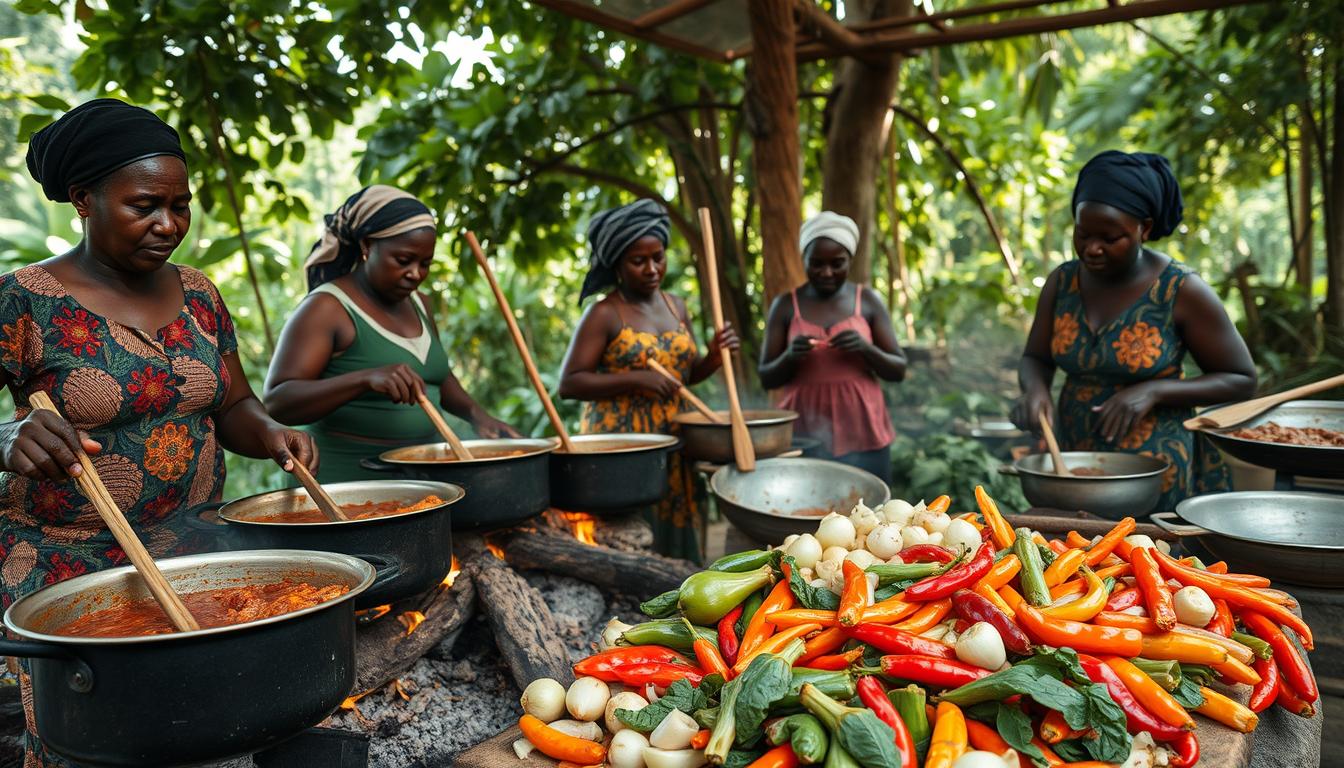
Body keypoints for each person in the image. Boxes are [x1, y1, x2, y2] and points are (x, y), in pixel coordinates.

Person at [1, 98, 318, 767]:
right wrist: (8, 438)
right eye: (144, 205)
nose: (168, 224)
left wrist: (270, 431)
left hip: (193, 552)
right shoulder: (23, 301)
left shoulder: (199, 292)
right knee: (96, 742)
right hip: (67, 568)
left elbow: (234, 405)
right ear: (84, 200)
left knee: (208, 727)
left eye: (181, 205)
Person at [1011, 150, 1256, 511]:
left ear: (1144, 228)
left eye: (1110, 238)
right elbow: (1035, 358)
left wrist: (1154, 391)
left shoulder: (1181, 290)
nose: (1092, 249)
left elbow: (1241, 379)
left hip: (1155, 468)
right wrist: (1036, 390)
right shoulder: (1062, 282)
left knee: (1145, 557)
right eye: (1083, 233)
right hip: (1073, 456)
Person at [264, 185, 519, 483]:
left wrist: (478, 415)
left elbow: (436, 377)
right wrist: (364, 379)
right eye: (403, 260)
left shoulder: (420, 304)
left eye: (425, 264)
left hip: (417, 479)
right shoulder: (327, 308)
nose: (415, 274)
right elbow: (278, 401)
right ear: (367, 245)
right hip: (342, 484)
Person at [558, 199, 738, 563]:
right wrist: (634, 379)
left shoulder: (677, 306)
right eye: (638, 261)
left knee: (675, 536)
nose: (652, 268)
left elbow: (683, 379)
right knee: (632, 535)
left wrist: (714, 359)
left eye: (658, 257)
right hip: (624, 447)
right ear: (617, 265)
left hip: (674, 440)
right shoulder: (604, 313)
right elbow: (570, 384)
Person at [758, 212, 907, 481]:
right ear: (803, 260)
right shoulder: (784, 305)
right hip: (804, 429)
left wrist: (866, 349)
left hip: (863, 427)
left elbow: (898, 370)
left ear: (850, 259)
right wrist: (790, 356)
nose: (827, 272)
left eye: (837, 263)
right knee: (807, 508)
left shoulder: (868, 301)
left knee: (873, 511)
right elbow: (767, 377)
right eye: (816, 264)